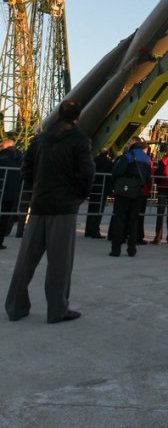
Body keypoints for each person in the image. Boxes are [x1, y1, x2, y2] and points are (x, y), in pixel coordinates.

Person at [5, 99, 94, 323]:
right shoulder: (80, 140)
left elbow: (26, 169)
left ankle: (15, 307)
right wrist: (79, 196)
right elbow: (87, 174)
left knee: (26, 259)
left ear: (58, 114)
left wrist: (37, 189)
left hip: (39, 205)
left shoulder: (40, 139)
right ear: (78, 116)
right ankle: (57, 310)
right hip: (63, 208)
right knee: (60, 263)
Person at [110, 137, 152, 258]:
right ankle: (132, 249)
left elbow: (117, 171)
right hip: (138, 191)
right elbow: (148, 176)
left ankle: (116, 249)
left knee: (120, 218)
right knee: (133, 221)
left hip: (124, 191)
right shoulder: (146, 158)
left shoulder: (128, 156)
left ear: (132, 145)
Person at [84, 148, 113, 238]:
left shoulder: (94, 160)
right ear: (107, 154)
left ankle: (88, 230)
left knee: (91, 209)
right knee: (99, 210)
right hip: (102, 188)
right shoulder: (108, 163)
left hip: (93, 187)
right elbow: (110, 177)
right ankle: (95, 231)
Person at [0, 137, 22, 249]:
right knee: (5, 217)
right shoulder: (20, 157)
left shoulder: (2, 155)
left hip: (1, 187)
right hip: (12, 191)